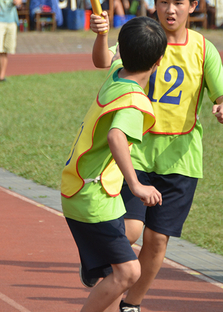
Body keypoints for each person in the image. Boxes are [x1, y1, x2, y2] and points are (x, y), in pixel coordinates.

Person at [93, 0, 223, 312]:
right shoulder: (142, 36)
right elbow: (103, 62)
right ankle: (104, 282)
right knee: (129, 231)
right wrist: (101, 35)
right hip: (137, 154)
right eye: (163, 2)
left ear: (193, 5)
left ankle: (132, 304)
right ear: (153, 3)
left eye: (178, 3)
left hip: (181, 159)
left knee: (157, 241)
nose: (170, 10)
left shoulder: (203, 49)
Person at [63, 16, 165, 312]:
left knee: (116, 266)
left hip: (82, 186)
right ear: (158, 62)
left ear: (119, 50)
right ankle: (96, 262)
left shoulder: (118, 74)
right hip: (91, 194)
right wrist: (136, 185)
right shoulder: (134, 100)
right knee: (129, 272)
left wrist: (101, 36)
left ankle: (95, 262)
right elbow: (116, 136)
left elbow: (100, 60)